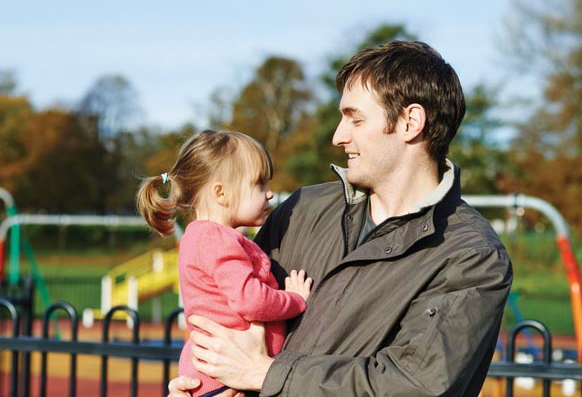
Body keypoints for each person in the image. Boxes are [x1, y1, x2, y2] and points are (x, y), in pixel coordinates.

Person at [168, 40, 513, 397]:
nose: (338, 136)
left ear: (411, 122)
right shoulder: (301, 210)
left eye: (356, 119)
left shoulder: (472, 256)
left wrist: (268, 374)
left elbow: (414, 385)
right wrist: (199, 388)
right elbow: (233, 318)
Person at [136, 129, 312, 397]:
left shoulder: (201, 236)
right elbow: (250, 300)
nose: (270, 193)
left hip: (217, 377)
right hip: (224, 381)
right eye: (259, 184)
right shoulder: (217, 239)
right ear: (221, 193)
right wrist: (295, 300)